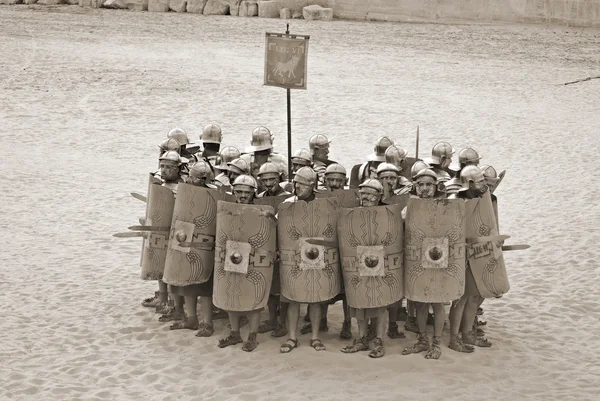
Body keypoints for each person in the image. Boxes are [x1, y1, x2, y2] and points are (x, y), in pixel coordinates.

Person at [279, 167, 334, 353]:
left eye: (301, 183)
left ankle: (315, 336)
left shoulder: (323, 205)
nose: (297, 187)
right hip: (294, 257)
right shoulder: (288, 204)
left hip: (316, 255)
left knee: (315, 297)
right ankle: (292, 337)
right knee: (293, 298)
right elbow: (280, 227)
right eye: (295, 183)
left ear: (312, 185)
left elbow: (330, 229)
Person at [340, 179, 393, 358]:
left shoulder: (387, 214)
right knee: (360, 302)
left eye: (371, 194)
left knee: (380, 303)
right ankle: (362, 338)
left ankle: (378, 340)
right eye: (363, 194)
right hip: (358, 262)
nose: (367, 197)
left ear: (379, 196)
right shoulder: (353, 214)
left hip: (381, 262)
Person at [300, 163, 353, 340]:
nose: (334, 184)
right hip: (323, 246)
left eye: (338, 180)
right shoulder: (317, 198)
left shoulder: (353, 197)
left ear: (344, 181)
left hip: (345, 247)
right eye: (330, 180)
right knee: (322, 284)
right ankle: (321, 320)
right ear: (324, 180)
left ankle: (347, 323)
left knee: (346, 291)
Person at [401, 168, 448, 359]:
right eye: (421, 184)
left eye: (429, 184)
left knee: (437, 302)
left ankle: (436, 341)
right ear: (415, 186)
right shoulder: (409, 208)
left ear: (435, 186)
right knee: (420, 302)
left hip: (438, 257)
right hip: (416, 259)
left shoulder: (445, 206)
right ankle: (422, 339)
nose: (425, 188)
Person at [166, 161, 216, 336]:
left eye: (194, 177)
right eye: (190, 176)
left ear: (203, 179)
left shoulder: (214, 194)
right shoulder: (184, 192)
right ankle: (191, 319)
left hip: (205, 243)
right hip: (184, 239)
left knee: (204, 287)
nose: (190, 179)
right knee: (187, 282)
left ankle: (208, 323)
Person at [217, 175, 265, 352]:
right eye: (239, 191)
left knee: (252, 295)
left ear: (253, 192)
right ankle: (235, 333)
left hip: (253, 257)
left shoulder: (260, 210)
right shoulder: (227, 209)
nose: (243, 195)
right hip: (232, 254)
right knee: (231, 292)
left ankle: (253, 335)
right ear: (233, 191)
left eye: (247, 192)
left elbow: (265, 235)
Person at [448, 165, 492, 352]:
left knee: (474, 295)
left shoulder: (481, 200)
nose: (484, 185)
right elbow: (447, 230)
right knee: (460, 299)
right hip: (459, 256)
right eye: (481, 181)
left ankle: (468, 334)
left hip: (478, 253)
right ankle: (453, 338)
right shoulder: (454, 200)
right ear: (471, 183)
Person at [255, 163, 291, 338]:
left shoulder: (288, 198)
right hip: (266, 245)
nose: (269, 183)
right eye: (265, 180)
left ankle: (282, 323)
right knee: (270, 285)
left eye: (272, 179)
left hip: (283, 245)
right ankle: (271, 320)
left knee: (283, 287)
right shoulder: (259, 197)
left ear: (279, 179)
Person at [155, 151, 187, 321]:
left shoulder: (183, 188)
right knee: (163, 270)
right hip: (163, 234)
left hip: (177, 236)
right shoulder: (160, 186)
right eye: (162, 166)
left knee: (175, 273)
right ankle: (168, 303)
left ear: (178, 169)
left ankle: (178, 308)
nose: (164, 170)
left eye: (169, 167)